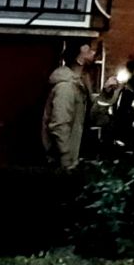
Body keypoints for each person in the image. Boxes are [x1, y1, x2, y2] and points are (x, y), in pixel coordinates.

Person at [41, 37, 96, 170]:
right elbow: (60, 125)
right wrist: (67, 161)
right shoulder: (66, 87)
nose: (94, 53)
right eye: (90, 49)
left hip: (73, 160)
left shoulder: (80, 84)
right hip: (64, 165)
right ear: (82, 51)